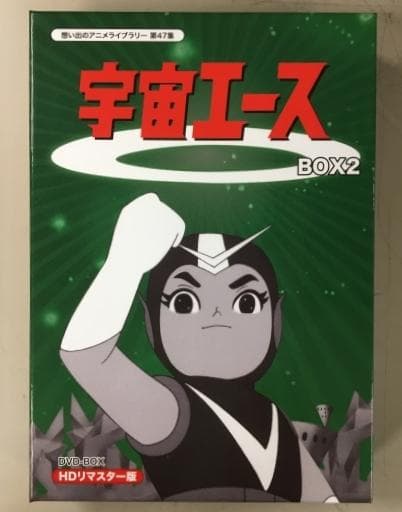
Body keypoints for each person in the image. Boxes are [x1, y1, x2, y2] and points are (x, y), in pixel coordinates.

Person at [60, 193, 337, 502]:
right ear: (151, 323)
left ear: (276, 318)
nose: (217, 315)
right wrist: (125, 264)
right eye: (184, 302)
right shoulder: (171, 410)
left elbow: (324, 499)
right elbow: (87, 356)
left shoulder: (274, 417)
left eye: (246, 302)